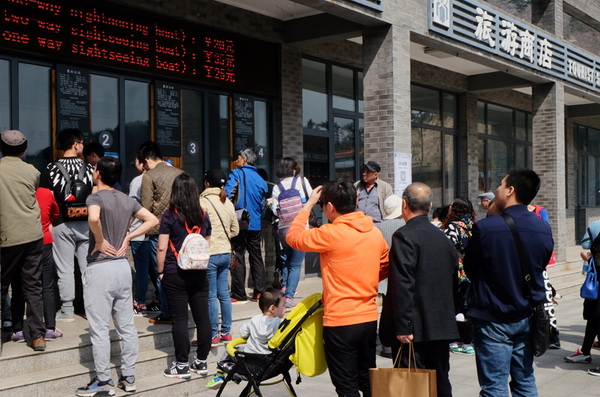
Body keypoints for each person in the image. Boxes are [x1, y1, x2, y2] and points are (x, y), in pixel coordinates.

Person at [286, 179, 389, 397]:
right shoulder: (374, 233)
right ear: (357, 200)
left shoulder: (330, 233)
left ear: (330, 207)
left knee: (346, 387)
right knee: (369, 382)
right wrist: (366, 279)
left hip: (340, 321)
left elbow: (293, 237)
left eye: (322, 205)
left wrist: (307, 205)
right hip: (369, 319)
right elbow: (385, 266)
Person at [463, 168, 554, 396]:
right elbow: (540, 266)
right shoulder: (543, 228)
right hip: (526, 313)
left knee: (494, 386)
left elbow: (470, 269)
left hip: (492, 315)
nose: (497, 189)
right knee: (524, 381)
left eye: (501, 185)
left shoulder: (485, 228)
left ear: (510, 190)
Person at [74, 156, 158, 396]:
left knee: (100, 328)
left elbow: (92, 217)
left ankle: (103, 381)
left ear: (98, 173)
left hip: (100, 268)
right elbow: (152, 219)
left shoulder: (94, 197)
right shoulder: (127, 199)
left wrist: (100, 240)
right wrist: (128, 238)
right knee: (126, 326)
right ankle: (129, 376)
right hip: (121, 266)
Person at [380, 183, 459, 397]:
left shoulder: (404, 236)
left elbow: (402, 283)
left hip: (415, 329)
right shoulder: (443, 238)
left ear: (404, 205)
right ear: (431, 205)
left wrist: (403, 325)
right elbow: (454, 280)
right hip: (441, 326)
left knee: (412, 387)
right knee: (440, 382)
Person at [158, 173, 212, 379]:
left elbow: (162, 248)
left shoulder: (170, 215)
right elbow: (206, 245)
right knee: (202, 318)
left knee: (180, 320)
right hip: (199, 273)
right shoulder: (204, 215)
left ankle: (181, 365)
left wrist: (161, 271)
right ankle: (201, 362)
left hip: (175, 272)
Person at [40, 128, 94, 322]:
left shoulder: (50, 169)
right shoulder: (90, 169)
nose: (82, 146)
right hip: (86, 223)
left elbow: (46, 198)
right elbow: (95, 194)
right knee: (87, 267)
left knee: (64, 269)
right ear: (75, 144)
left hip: (61, 224)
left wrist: (49, 222)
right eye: (81, 142)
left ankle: (67, 309)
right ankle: (90, 308)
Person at [0, 129, 46, 351]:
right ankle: (38, 336)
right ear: (24, 150)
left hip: (7, 235)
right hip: (32, 235)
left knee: (2, 286)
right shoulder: (32, 171)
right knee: (33, 286)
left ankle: (6, 330)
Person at [138, 141, 184, 324]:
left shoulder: (149, 176)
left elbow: (146, 207)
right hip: (181, 231)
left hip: (159, 231)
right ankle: (180, 310)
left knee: (162, 273)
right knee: (181, 271)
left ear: (147, 160)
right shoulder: (180, 173)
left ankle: (167, 313)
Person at [206, 287, 286, 389]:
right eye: (283, 305)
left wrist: (251, 333)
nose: (286, 307)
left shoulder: (254, 320)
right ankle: (234, 376)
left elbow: (242, 333)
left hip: (251, 364)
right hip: (268, 364)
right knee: (240, 352)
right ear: (272, 308)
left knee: (230, 352)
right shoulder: (280, 324)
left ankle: (220, 375)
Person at [200, 168, 239, 346]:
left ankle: (213, 334)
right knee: (224, 294)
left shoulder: (203, 201)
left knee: (210, 295)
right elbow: (235, 230)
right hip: (225, 253)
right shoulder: (228, 202)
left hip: (210, 253)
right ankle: (226, 332)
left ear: (207, 183)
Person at [224, 148, 268, 303]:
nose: (236, 160)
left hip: (240, 221)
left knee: (238, 255)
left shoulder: (236, 173)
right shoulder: (260, 179)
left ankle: (239, 294)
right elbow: (263, 201)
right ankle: (259, 292)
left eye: (238, 157)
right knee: (256, 256)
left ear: (244, 159)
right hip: (255, 223)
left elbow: (227, 195)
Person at [271, 157, 313, 307]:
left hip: (283, 229)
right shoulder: (302, 181)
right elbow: (311, 199)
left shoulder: (277, 187)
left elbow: (276, 210)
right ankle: (289, 297)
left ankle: (284, 288)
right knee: (296, 264)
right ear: (293, 169)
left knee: (287, 261)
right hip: (300, 226)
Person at [442, 197, 476, 356]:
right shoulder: (473, 226)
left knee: (455, 306)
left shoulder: (452, 227)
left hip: (456, 274)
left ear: (455, 210)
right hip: (472, 273)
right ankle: (468, 342)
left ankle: (455, 340)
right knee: (466, 307)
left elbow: (446, 251)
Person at [374, 194, 405, 359]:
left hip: (384, 275)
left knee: (386, 312)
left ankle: (386, 347)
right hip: (402, 274)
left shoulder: (378, 227)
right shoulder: (405, 224)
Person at [128, 158, 160, 316]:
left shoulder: (137, 181)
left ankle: (140, 303)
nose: (134, 164)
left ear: (144, 163)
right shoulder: (158, 178)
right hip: (156, 232)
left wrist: (127, 228)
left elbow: (132, 207)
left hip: (139, 232)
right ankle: (160, 299)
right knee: (155, 269)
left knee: (141, 270)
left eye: (136, 161)